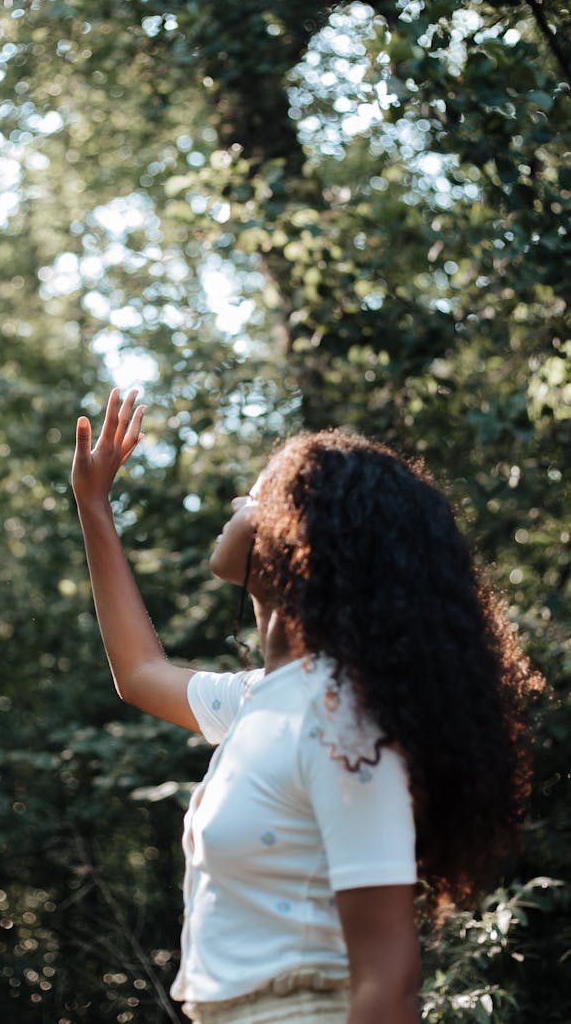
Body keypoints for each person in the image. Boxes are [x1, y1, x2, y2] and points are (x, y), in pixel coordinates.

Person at [71, 387, 540, 1024]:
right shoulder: (263, 701)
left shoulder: (341, 718)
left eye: (257, 493)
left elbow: (390, 983)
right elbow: (139, 673)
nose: (238, 503)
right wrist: (93, 506)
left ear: (302, 536)